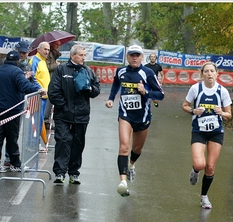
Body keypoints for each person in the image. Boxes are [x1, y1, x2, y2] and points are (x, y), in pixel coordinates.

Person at [105, 45, 164, 196]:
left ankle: (131, 165)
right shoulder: (121, 71)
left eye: (137, 55)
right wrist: (111, 99)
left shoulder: (148, 73)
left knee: (136, 149)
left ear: (142, 57)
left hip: (142, 117)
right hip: (125, 114)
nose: (134, 57)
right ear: (127, 57)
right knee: (124, 147)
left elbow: (160, 94)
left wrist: (146, 92)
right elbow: (116, 84)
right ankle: (123, 182)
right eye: (131, 55)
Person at [47, 44, 100, 185]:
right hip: (63, 114)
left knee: (78, 143)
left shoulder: (88, 71)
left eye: (84, 55)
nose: (84, 58)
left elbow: (96, 90)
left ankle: (74, 173)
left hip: (82, 115)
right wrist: (64, 106)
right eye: (81, 55)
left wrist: (90, 88)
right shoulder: (61, 69)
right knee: (63, 141)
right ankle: (59, 172)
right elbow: (53, 91)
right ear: (72, 56)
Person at [182, 62, 232, 209]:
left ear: (216, 74)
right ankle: (195, 170)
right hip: (199, 130)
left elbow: (229, 114)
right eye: (206, 71)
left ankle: (204, 197)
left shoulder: (222, 91)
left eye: (212, 71)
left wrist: (221, 112)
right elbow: (184, 105)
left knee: (210, 167)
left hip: (216, 132)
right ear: (202, 74)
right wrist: (193, 111)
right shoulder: (195, 88)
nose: (209, 74)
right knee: (200, 164)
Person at [0, 51, 45, 173]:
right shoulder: (16, 71)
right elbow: (25, 86)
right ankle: (15, 163)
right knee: (12, 137)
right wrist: (39, 90)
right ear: (17, 61)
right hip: (12, 109)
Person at [30, 42, 51, 152]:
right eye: (45, 49)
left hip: (44, 97)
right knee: (35, 121)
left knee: (39, 121)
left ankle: (35, 143)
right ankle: (32, 144)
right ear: (38, 49)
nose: (47, 51)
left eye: (48, 50)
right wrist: (40, 89)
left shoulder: (43, 61)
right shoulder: (34, 61)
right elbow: (32, 78)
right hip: (37, 97)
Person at [44, 40, 62, 130]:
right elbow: (47, 66)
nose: (59, 46)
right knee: (48, 101)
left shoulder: (55, 54)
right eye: (57, 44)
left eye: (59, 45)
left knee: (51, 102)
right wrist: (56, 65)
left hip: (53, 81)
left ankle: (47, 121)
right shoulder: (48, 55)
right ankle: (45, 120)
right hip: (48, 81)